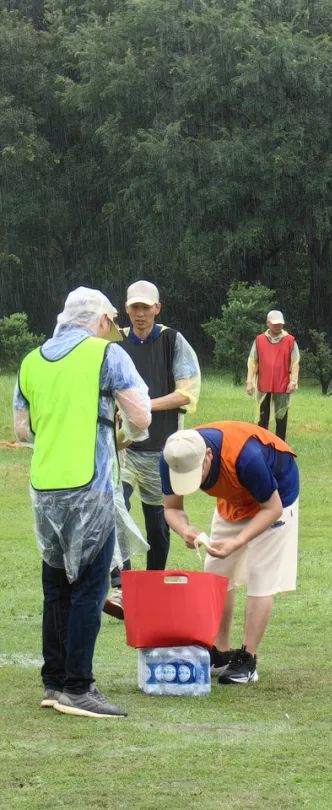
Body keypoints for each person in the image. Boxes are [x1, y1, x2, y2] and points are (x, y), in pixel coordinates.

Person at [15, 287, 150, 718]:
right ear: (103, 321)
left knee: (55, 587)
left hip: (44, 488)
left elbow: (22, 430)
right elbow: (142, 415)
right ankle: (79, 686)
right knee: (90, 588)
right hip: (89, 486)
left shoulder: (31, 361)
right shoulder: (106, 355)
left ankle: (53, 681)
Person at [161, 422, 300, 685]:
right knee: (216, 573)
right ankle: (220, 651)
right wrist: (185, 530)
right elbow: (172, 509)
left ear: (208, 457)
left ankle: (248, 658)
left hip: (277, 495)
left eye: (196, 473)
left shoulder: (246, 456)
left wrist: (238, 541)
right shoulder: (173, 455)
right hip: (234, 499)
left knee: (261, 574)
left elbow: (272, 508)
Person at [108, 280, 201, 616]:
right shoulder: (115, 342)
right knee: (115, 511)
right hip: (122, 450)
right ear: (127, 308)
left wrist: (142, 405)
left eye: (146, 307)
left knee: (158, 526)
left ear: (157, 308)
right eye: (135, 307)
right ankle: (122, 586)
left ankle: (154, 584)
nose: (140, 314)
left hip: (162, 450)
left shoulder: (172, 341)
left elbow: (186, 394)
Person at [248, 310, 298, 441]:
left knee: (281, 416)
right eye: (275, 324)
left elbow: (295, 362)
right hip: (264, 384)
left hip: (282, 383)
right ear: (268, 323)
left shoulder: (290, 340)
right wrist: (249, 382)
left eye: (280, 324)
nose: (278, 326)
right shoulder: (259, 340)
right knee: (263, 416)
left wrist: (293, 381)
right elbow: (252, 361)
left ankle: (280, 443)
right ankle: (262, 442)